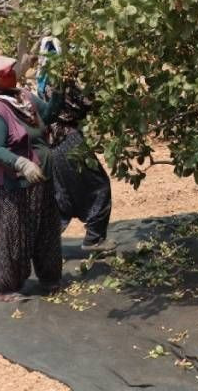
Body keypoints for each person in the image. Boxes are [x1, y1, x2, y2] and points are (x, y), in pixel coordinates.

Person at [0, 52, 63, 302]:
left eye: (11, 70)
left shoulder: (24, 97)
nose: (11, 74)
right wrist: (22, 163)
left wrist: (60, 92)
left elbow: (49, 115)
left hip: (40, 178)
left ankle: (50, 279)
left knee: (46, 230)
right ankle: (8, 288)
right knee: (15, 234)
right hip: (10, 184)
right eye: (4, 73)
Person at [36, 37, 115, 254]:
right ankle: (94, 240)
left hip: (53, 142)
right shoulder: (61, 82)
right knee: (99, 186)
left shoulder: (43, 77)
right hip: (69, 140)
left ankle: (43, 244)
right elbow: (87, 104)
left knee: (63, 195)